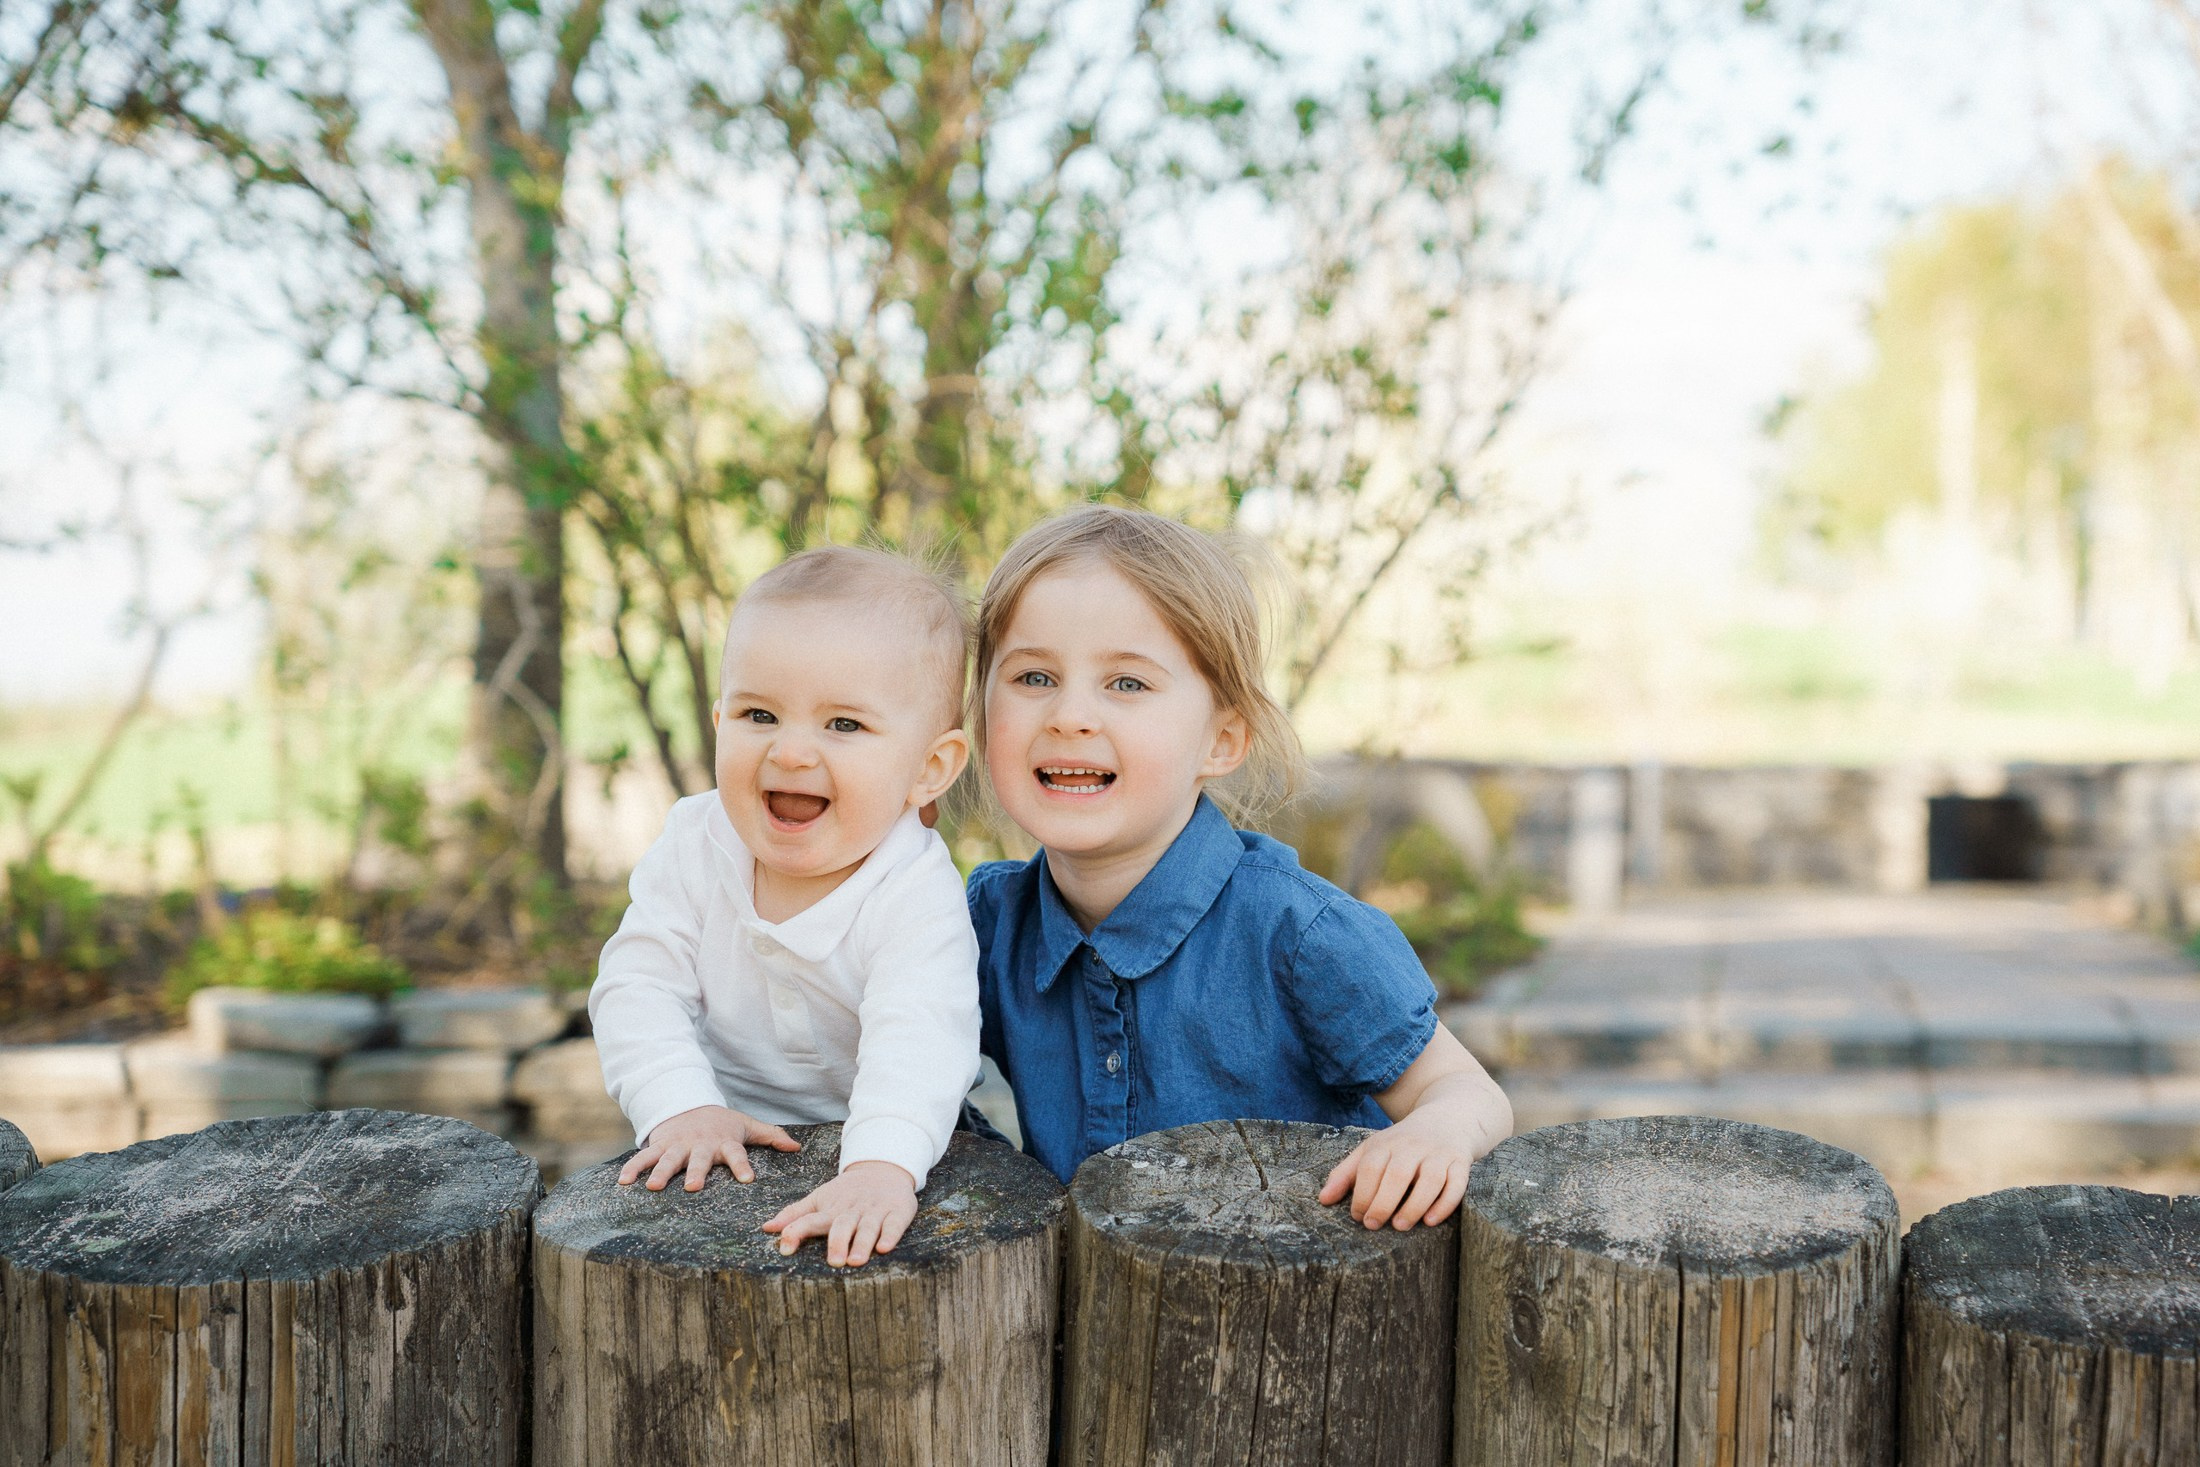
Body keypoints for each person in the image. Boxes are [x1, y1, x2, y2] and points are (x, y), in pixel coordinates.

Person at [966, 505, 1512, 1229]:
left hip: (1302, 1314)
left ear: (1221, 741)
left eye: (1126, 683)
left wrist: (1437, 1130)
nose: (1070, 714)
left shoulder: (1300, 933)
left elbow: (1466, 1090)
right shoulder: (986, 924)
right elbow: (850, 1055)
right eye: (1034, 676)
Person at [590, 545, 980, 1268]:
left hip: (901, 1132)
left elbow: (922, 1037)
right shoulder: (696, 843)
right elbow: (636, 986)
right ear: (718, 721)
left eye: (844, 725)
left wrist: (881, 1163)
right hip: (720, 1122)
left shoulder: (914, 888)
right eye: (759, 713)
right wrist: (679, 1103)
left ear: (929, 769)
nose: (792, 751)